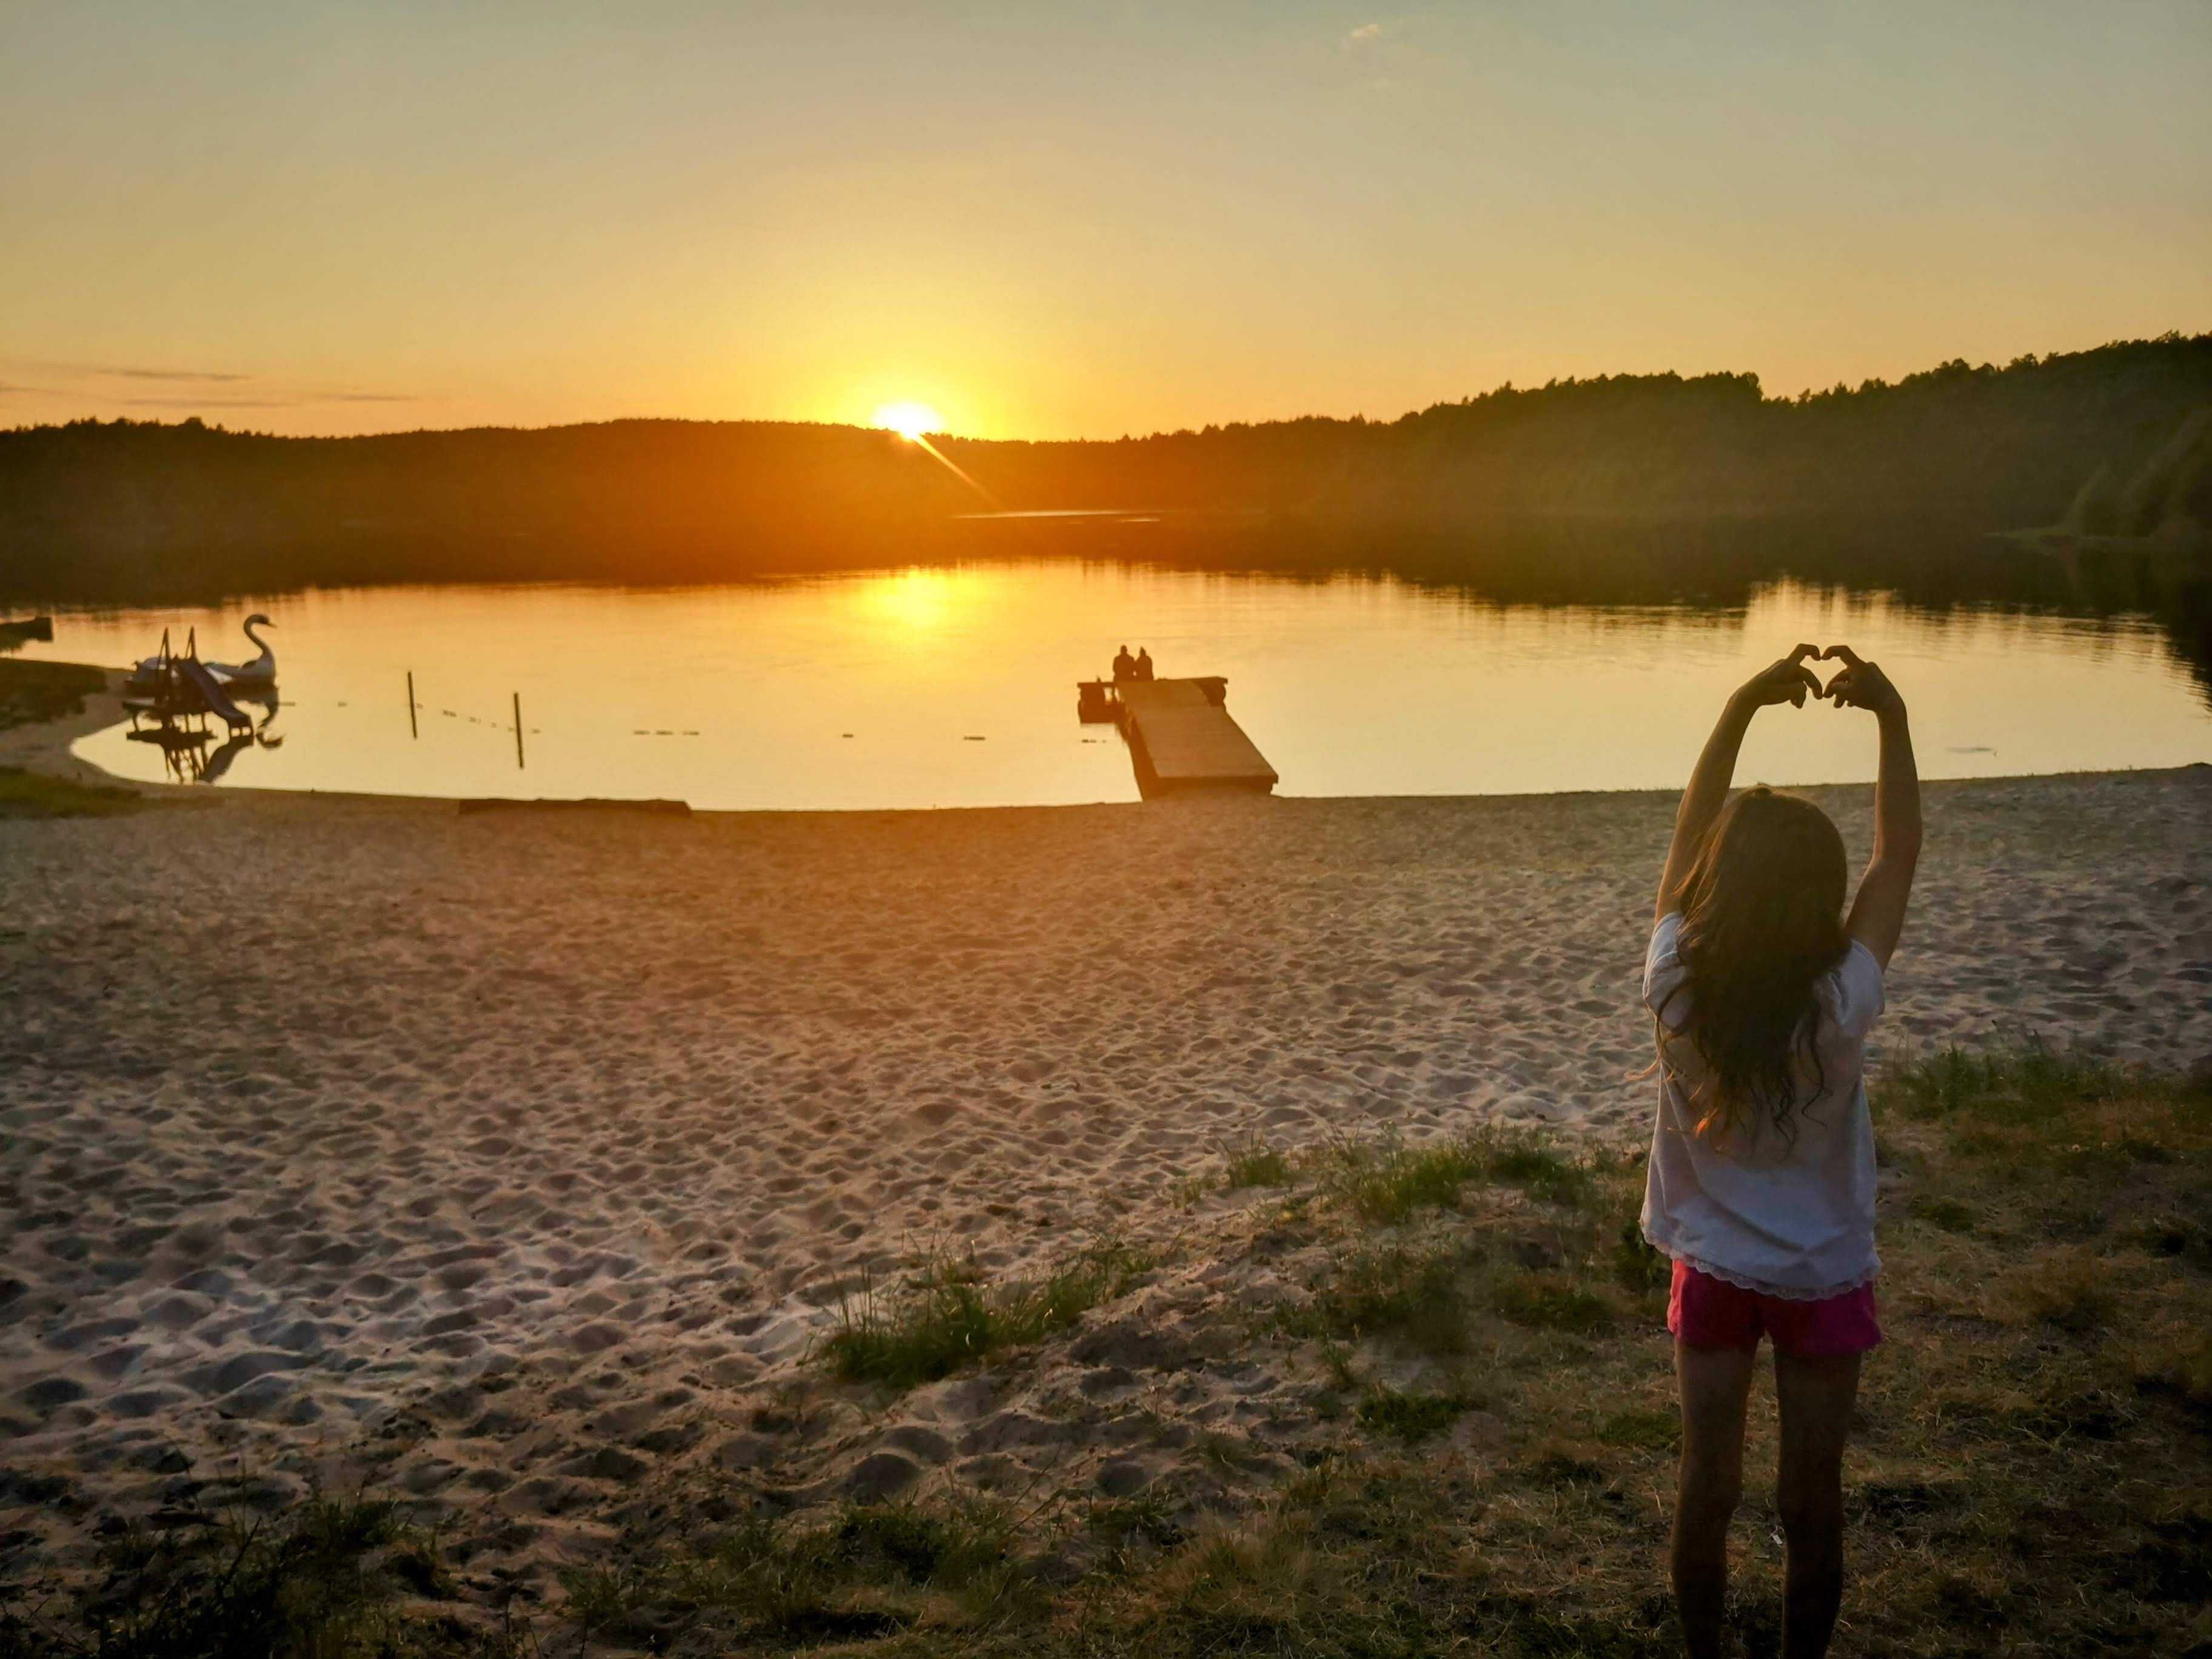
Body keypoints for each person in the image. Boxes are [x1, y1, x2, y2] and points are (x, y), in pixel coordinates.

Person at [1643, 643, 1920, 1659]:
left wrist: (1737, 708)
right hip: (1822, 1276)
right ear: (1817, 897)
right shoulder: (1842, 998)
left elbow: (1682, 842)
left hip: (1713, 1270)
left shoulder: (1675, 982)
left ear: (1720, 877)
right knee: (1814, 1501)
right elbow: (1897, 856)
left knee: (1704, 1488)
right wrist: (1890, 718)